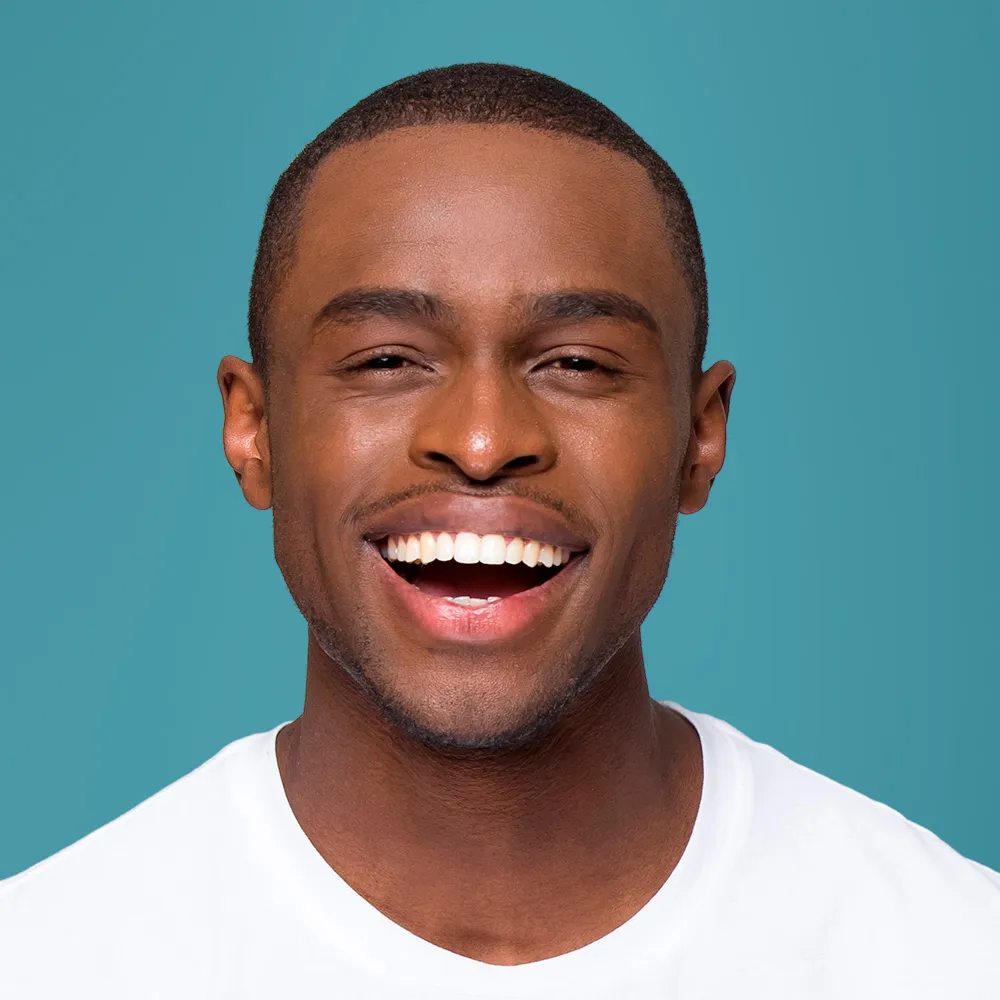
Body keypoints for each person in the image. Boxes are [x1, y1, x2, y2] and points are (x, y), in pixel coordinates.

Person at [1, 62, 997, 998]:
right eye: (387, 360)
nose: (481, 442)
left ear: (699, 438)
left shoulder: (949, 954)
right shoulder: (50, 960)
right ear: (253, 430)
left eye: (578, 363)